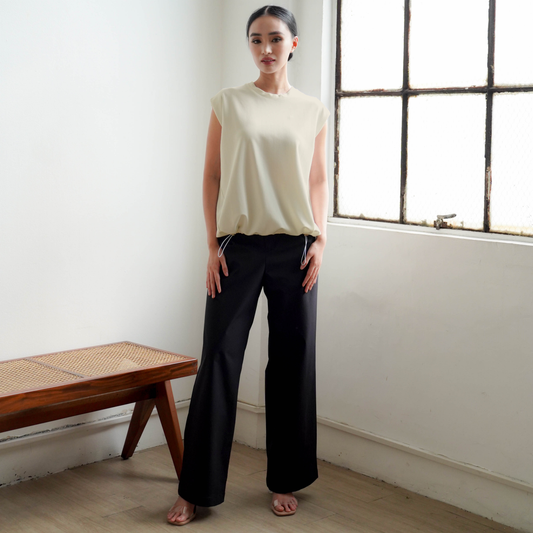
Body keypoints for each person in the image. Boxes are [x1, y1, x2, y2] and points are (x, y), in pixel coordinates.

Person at [167, 4, 329, 526]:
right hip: (237, 247)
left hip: (296, 249)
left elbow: (317, 179)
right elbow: (211, 176)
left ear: (293, 44)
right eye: (256, 39)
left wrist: (321, 240)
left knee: (293, 362)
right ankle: (195, 489)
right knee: (218, 359)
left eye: (275, 39)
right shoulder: (228, 103)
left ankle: (286, 477)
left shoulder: (312, 110)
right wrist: (212, 245)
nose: (265, 49)